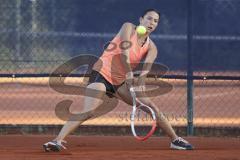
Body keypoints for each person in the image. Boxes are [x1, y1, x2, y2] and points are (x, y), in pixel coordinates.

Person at [43, 9, 193, 151]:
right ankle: (56, 141)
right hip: (101, 74)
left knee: (150, 106)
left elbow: (144, 73)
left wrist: (139, 83)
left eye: (155, 21)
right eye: (149, 18)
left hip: (119, 83)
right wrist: (129, 74)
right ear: (141, 19)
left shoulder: (152, 48)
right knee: (88, 111)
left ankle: (175, 140)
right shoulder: (128, 27)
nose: (151, 23)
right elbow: (124, 54)